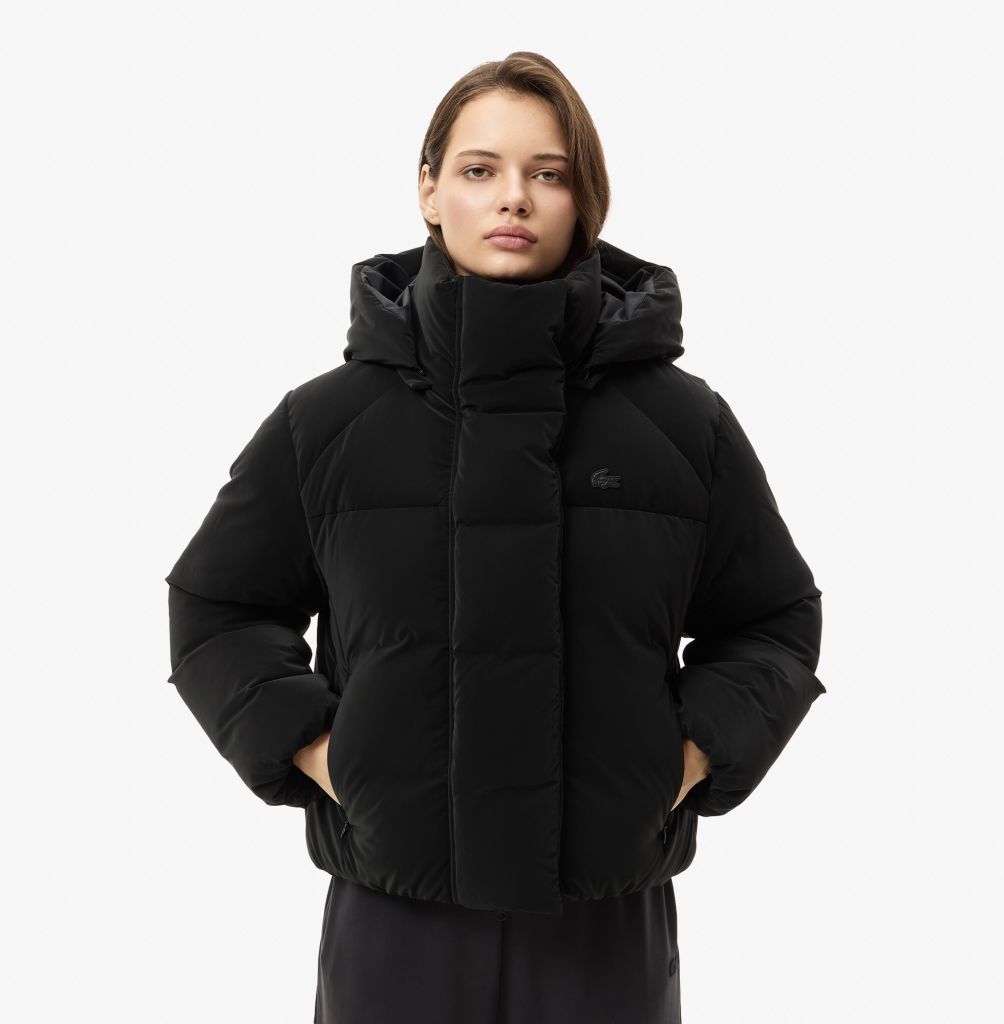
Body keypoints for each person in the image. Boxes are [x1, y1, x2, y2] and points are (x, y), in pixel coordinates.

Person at [164, 51, 825, 1024]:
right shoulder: (326, 424)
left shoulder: (685, 428)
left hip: (605, 929)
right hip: (394, 924)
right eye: (480, 169)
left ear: (583, 200)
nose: (514, 195)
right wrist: (321, 751)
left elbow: (773, 618)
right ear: (429, 191)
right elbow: (217, 607)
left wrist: (683, 760)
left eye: (548, 172)